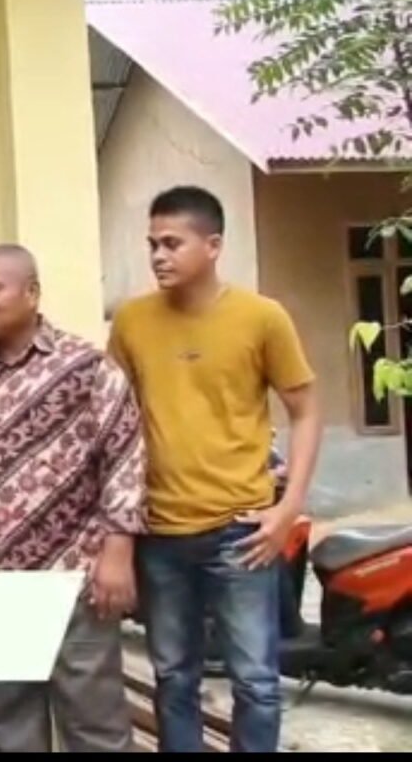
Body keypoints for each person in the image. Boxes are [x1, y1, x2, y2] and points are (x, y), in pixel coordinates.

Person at [108, 185, 322, 753]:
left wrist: (288, 508)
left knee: (255, 681)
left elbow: (306, 410)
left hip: (240, 531)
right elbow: (112, 423)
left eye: (172, 243)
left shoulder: (261, 317)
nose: (158, 256)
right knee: (173, 677)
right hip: (159, 531)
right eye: (152, 244)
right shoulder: (132, 322)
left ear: (213, 245)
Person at [0, 244, 146, 752]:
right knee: (5, 732)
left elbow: (125, 457)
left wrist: (118, 553)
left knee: (95, 730)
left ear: (32, 293)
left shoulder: (86, 368)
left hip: (73, 579)